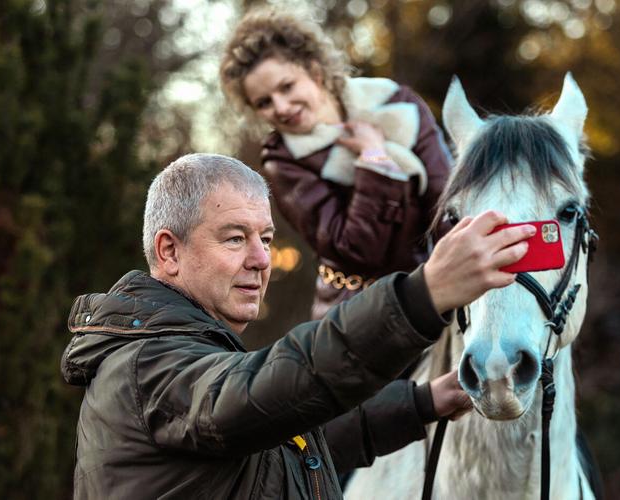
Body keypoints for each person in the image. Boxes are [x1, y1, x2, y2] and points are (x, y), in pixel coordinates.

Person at [61, 153, 534, 499]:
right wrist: (422, 296)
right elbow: (276, 387)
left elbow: (302, 435)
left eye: (265, 238)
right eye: (235, 238)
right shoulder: (146, 366)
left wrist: (425, 401)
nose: (261, 259)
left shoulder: (195, 364)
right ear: (169, 252)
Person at [220, 9, 452, 320]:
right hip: (359, 313)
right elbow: (357, 251)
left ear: (314, 71)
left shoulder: (397, 104)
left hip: (436, 289)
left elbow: (448, 200)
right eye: (264, 102)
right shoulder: (284, 161)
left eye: (287, 86)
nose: (281, 107)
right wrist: (373, 160)